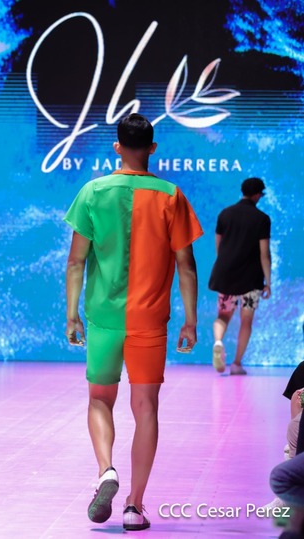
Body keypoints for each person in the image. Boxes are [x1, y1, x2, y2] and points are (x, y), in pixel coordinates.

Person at [64, 113, 203, 531]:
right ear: (153, 148)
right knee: (146, 409)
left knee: (99, 399)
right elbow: (186, 265)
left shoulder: (93, 191)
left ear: (117, 147)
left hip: (104, 318)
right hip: (150, 319)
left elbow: (76, 261)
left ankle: (106, 469)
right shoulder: (171, 196)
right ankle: (135, 506)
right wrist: (191, 321)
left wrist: (71, 314)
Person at [208, 177, 271, 375]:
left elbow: (219, 246)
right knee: (246, 320)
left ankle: (218, 342)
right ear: (257, 194)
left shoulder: (225, 214)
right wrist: (268, 282)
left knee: (223, 316)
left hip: (226, 275)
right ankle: (236, 364)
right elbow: (264, 253)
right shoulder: (262, 218)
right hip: (251, 279)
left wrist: (224, 267)